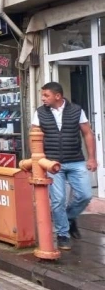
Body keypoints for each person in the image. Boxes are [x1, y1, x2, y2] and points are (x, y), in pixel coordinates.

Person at [32, 82, 97, 250]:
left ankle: (69, 217)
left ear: (57, 96)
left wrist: (92, 158)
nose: (43, 98)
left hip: (76, 160)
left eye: (46, 95)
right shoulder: (39, 113)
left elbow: (87, 133)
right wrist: (38, 160)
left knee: (85, 195)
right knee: (58, 200)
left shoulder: (76, 110)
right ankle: (63, 234)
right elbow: (34, 136)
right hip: (53, 163)